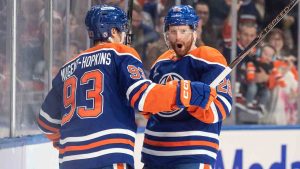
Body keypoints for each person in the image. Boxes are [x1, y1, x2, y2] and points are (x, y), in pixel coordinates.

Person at [37, 4, 216, 169]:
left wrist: (66, 141)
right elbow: (143, 97)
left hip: (70, 161)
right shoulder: (120, 53)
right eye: (122, 29)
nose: (124, 35)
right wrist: (186, 91)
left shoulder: (68, 67)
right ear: (113, 31)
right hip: (108, 156)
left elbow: (46, 121)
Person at [141, 5, 232, 169]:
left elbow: (222, 107)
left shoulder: (210, 58)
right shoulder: (160, 63)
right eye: (173, 31)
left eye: (183, 31)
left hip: (191, 153)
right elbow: (148, 107)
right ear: (166, 34)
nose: (178, 37)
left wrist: (193, 100)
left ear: (194, 33)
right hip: (154, 153)